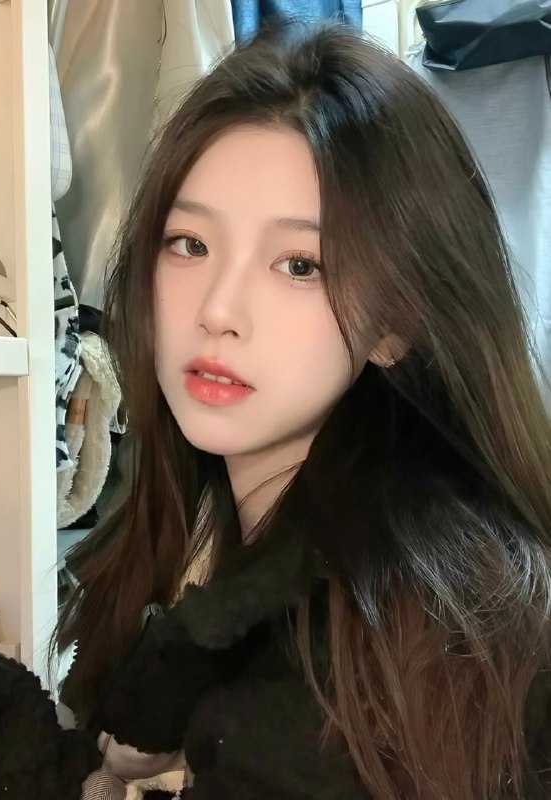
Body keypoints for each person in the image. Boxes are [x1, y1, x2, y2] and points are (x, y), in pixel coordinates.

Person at [55, 18, 551, 800]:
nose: (218, 310)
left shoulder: (389, 642)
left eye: (299, 265)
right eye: (190, 243)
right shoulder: (245, 546)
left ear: (395, 321)